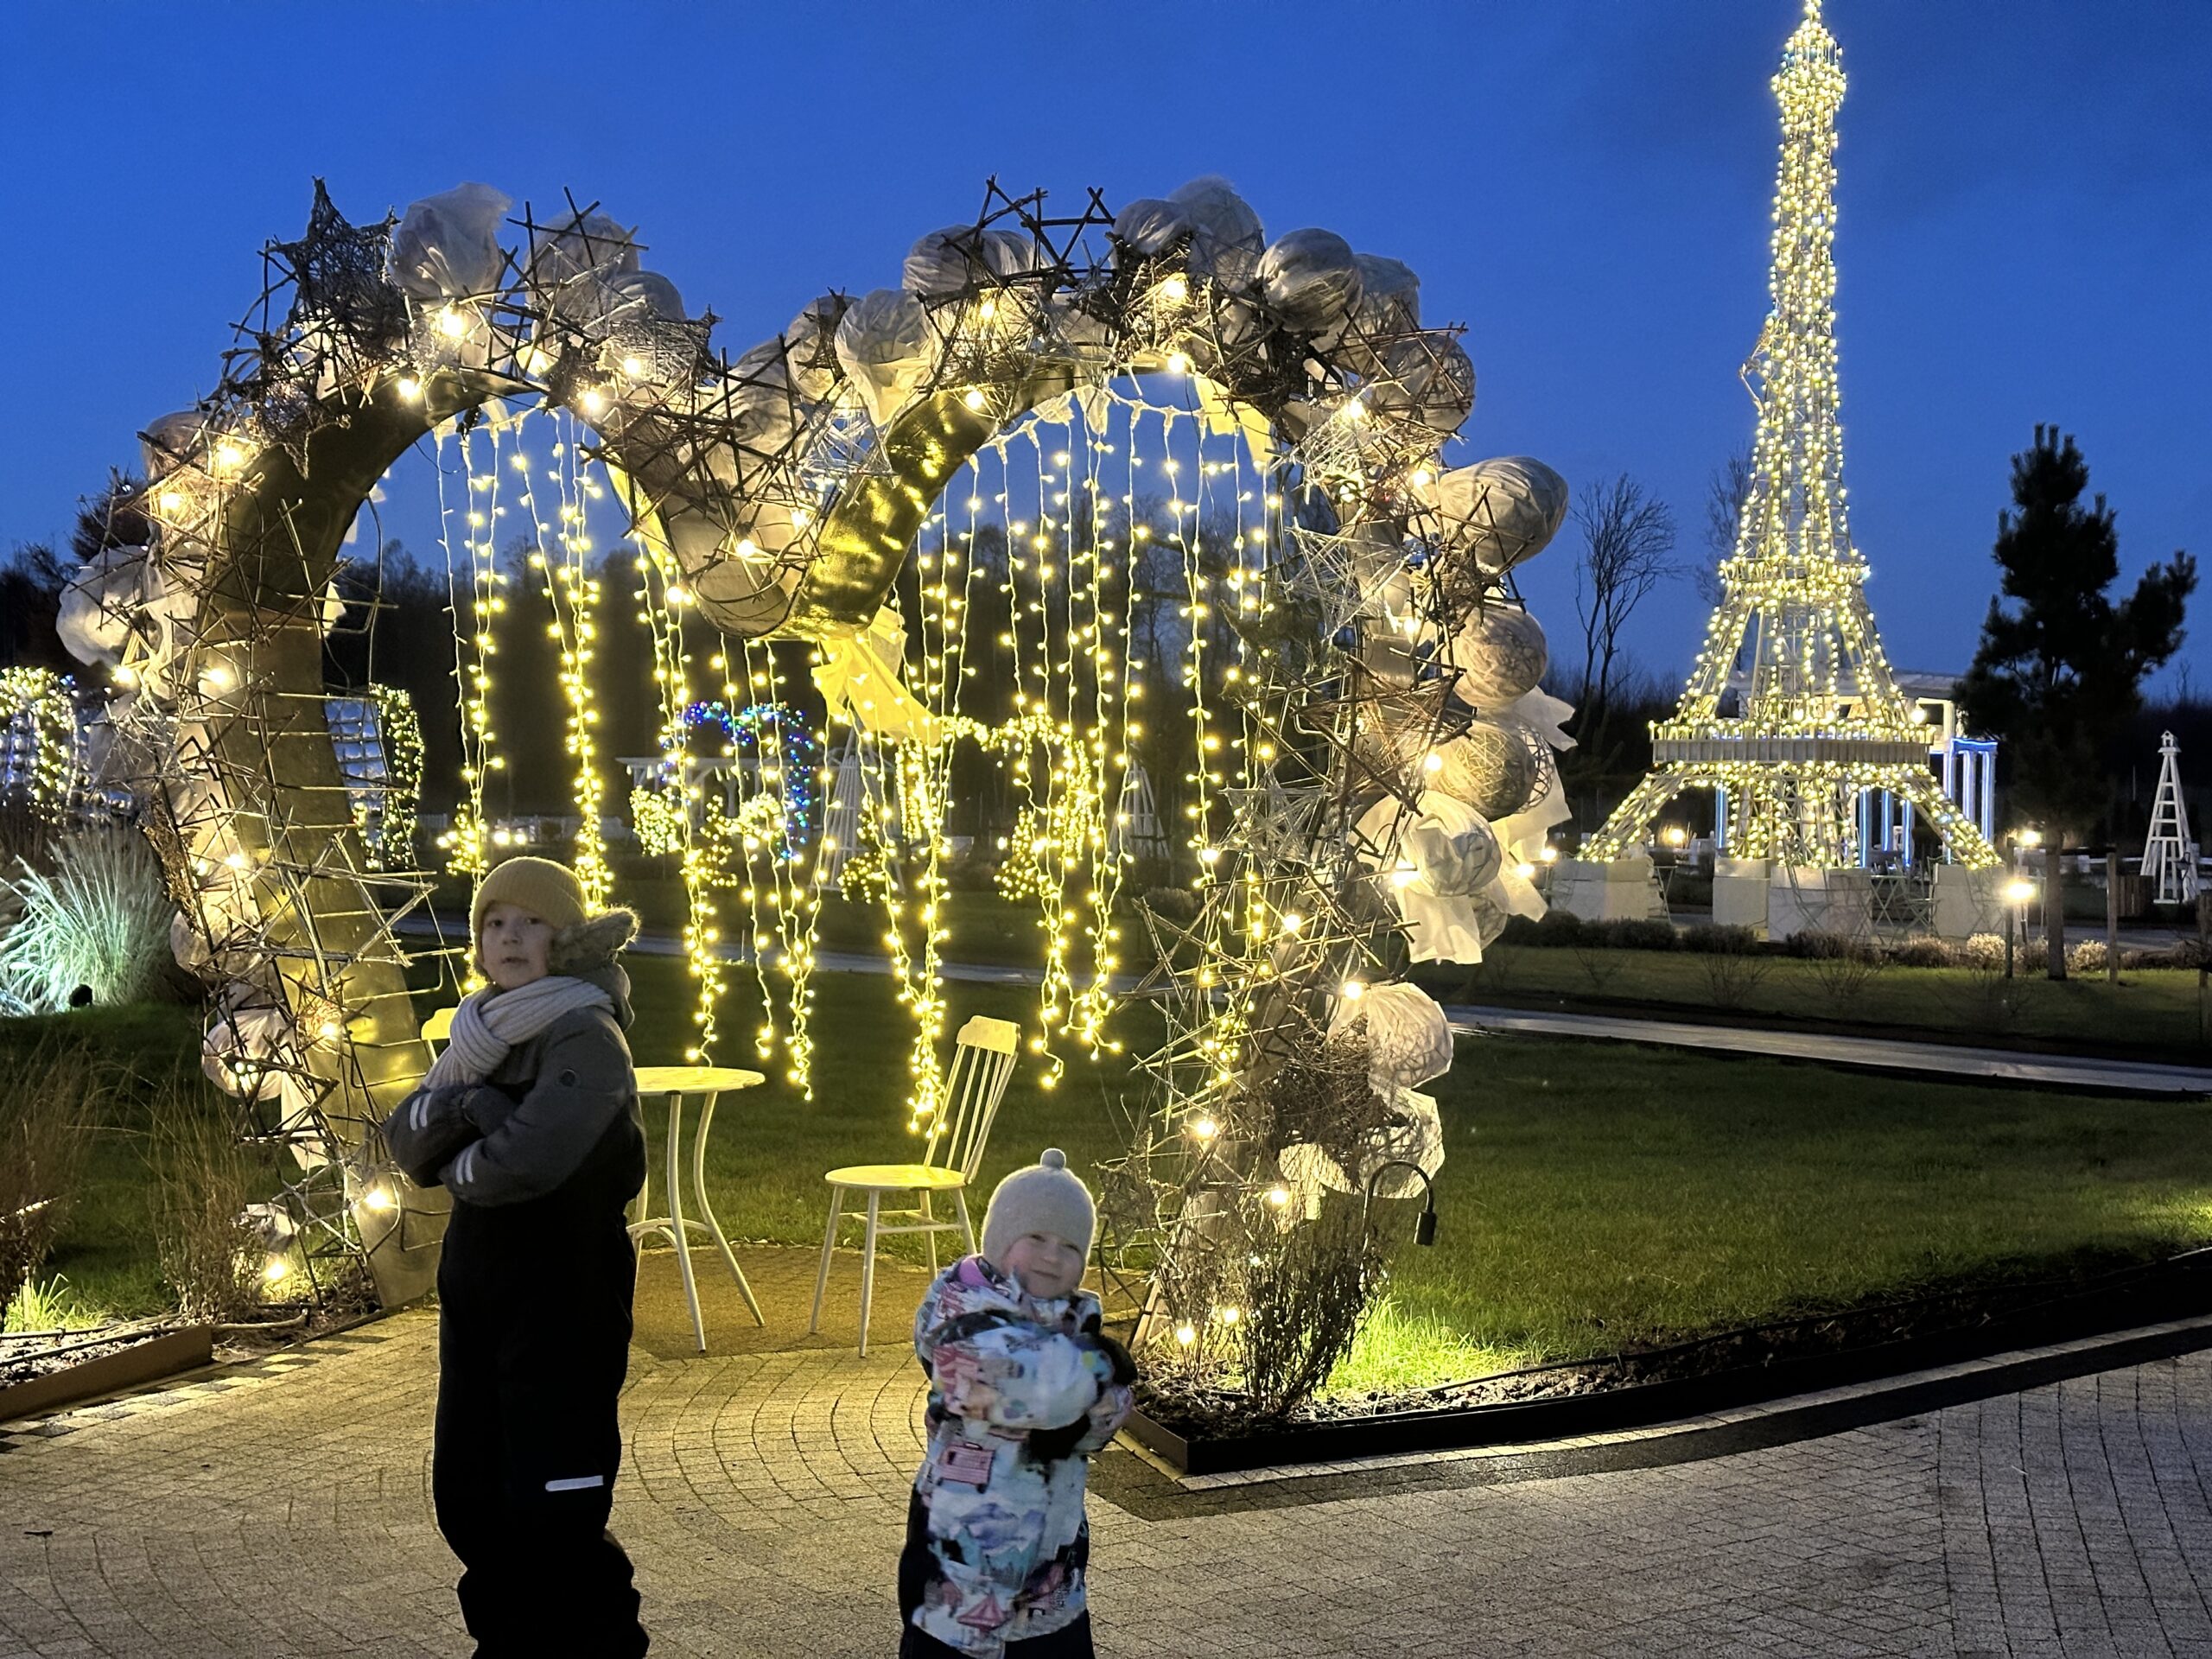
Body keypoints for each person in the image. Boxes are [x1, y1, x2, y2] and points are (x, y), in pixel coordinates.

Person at [384, 856, 651, 1658]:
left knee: (553, 1496)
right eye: (495, 922)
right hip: (480, 1290)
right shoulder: (482, 1029)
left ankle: (595, 1648)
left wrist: (462, 1146)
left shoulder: (586, 1033)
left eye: (531, 922)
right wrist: (476, 1107)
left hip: (563, 1290)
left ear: (566, 940)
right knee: (471, 1493)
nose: (509, 936)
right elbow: (406, 1139)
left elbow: (526, 1161)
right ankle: (508, 1644)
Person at [900, 1148, 1136, 1658]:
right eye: (1036, 1239)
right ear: (999, 1239)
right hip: (959, 1573)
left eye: (1070, 1246)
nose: (1052, 1256)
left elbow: (1108, 1414)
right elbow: (1033, 1388)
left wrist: (1091, 1408)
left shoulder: (1075, 1320)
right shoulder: (959, 1315)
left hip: (1052, 1574)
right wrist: (1100, 1365)